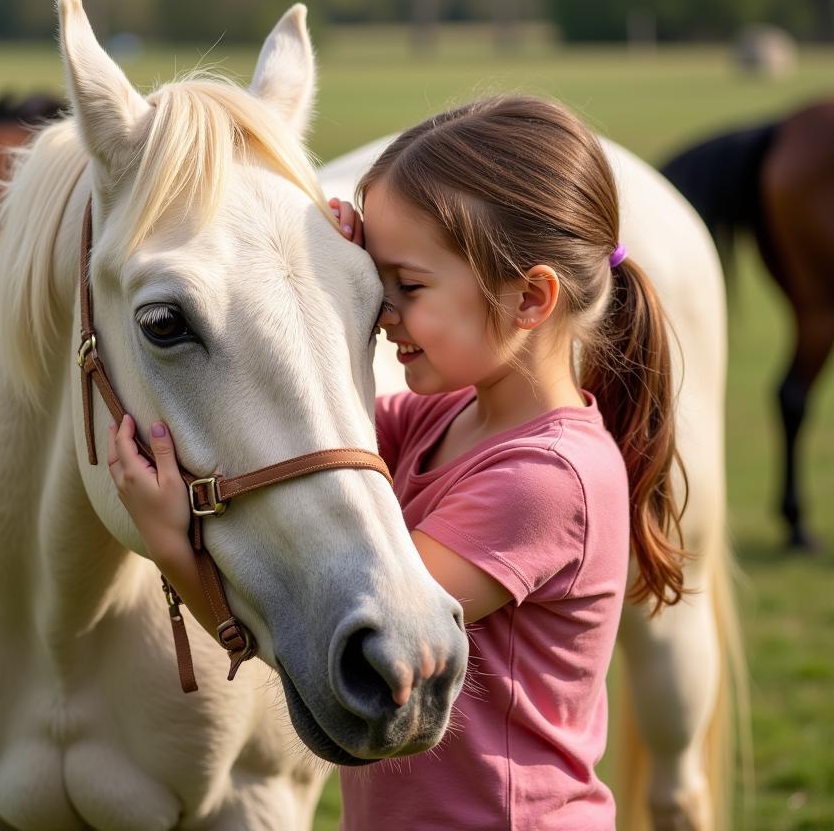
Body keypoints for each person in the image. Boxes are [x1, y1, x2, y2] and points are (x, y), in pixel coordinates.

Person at [108, 95, 688, 830]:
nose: (384, 312)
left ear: (531, 297)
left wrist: (169, 545)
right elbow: (303, 439)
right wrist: (324, 269)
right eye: (377, 284)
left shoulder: (548, 481)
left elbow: (365, 635)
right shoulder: (442, 419)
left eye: (407, 287)